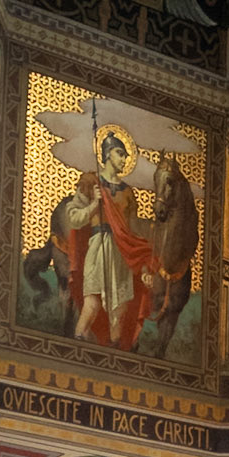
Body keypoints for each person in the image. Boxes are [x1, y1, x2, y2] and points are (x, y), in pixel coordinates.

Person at [63, 132, 156, 348]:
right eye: (119, 153)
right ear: (107, 154)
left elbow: (133, 234)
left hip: (122, 253)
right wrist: (94, 204)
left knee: (119, 312)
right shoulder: (91, 183)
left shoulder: (128, 193)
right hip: (99, 248)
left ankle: (113, 357)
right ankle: (76, 350)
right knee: (92, 304)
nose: (124, 159)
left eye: (125, 155)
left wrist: (143, 269)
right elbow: (74, 218)